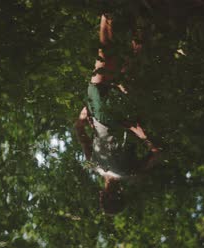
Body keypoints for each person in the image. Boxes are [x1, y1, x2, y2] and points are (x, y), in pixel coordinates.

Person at [74, 11, 159, 214]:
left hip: (99, 113)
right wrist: (143, 136)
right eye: (112, 197)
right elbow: (157, 152)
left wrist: (83, 117)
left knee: (105, 57)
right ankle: (141, 19)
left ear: (103, 195)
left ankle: (108, 13)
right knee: (131, 63)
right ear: (118, 196)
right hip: (122, 114)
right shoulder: (131, 172)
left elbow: (81, 134)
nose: (106, 194)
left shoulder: (94, 166)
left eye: (105, 197)